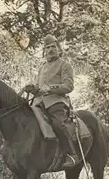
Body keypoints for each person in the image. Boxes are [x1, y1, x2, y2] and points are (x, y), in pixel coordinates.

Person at [24, 34, 79, 169]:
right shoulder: (42, 68)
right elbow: (39, 90)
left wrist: (51, 88)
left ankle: (72, 154)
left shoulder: (64, 65)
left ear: (58, 48)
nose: (50, 50)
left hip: (57, 103)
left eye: (53, 47)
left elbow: (68, 86)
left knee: (58, 124)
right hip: (39, 104)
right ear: (44, 51)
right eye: (47, 47)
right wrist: (33, 89)